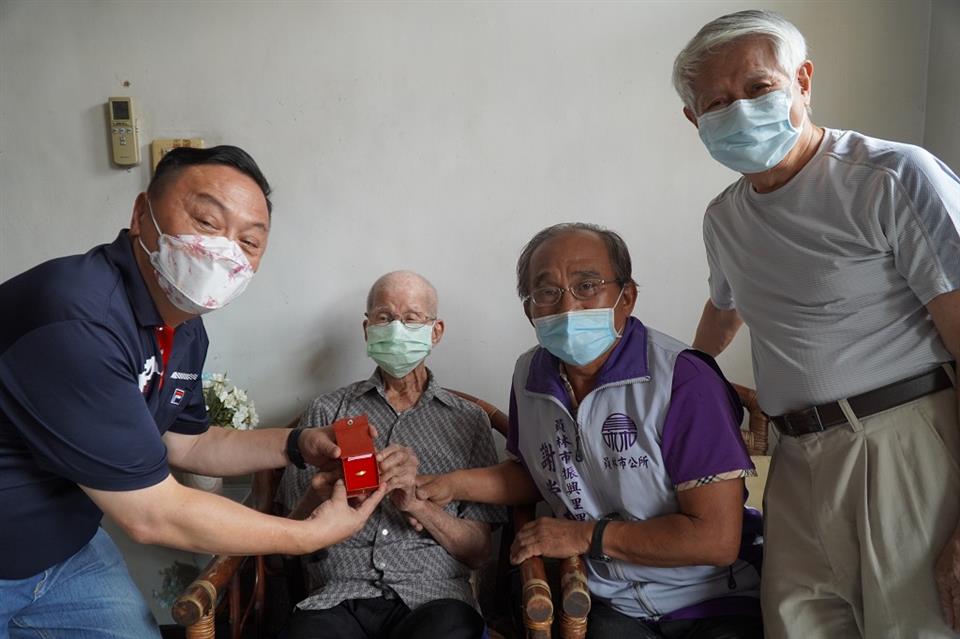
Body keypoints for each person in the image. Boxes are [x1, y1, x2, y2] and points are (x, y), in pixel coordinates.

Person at [0, 146, 384, 638]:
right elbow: (152, 514)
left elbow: (190, 443)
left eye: (249, 241)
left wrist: (297, 445)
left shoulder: (184, 328)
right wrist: (306, 535)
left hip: (64, 552)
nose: (225, 251)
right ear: (142, 214)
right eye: (206, 221)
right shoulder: (78, 317)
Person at [672, 9, 960, 638]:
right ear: (695, 120)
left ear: (802, 80)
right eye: (716, 102)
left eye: (758, 88)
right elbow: (726, 309)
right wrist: (686, 391)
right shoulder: (724, 218)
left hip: (903, 447)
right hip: (795, 460)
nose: (740, 111)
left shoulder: (892, 178)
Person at [417, 224, 763, 639]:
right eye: (547, 292)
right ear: (529, 310)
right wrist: (449, 486)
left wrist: (584, 536)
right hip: (610, 602)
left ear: (627, 297)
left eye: (587, 286)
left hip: (713, 598)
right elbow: (538, 472)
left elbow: (715, 539)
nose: (568, 306)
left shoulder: (683, 379)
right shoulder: (529, 375)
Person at [278, 270, 506, 639]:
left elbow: (479, 552)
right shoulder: (327, 413)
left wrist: (418, 505)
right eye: (384, 317)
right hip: (338, 598)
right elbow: (290, 539)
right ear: (367, 328)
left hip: (434, 600)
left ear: (436, 331)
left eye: (412, 318)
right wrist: (322, 493)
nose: (397, 329)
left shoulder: (468, 421)